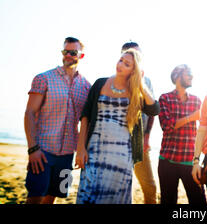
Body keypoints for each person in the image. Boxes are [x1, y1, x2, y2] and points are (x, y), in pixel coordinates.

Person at [75, 48, 160, 204]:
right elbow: (85, 116)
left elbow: (154, 110)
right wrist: (81, 149)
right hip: (95, 149)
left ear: (133, 70)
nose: (120, 64)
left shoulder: (136, 91)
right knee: (88, 194)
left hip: (122, 154)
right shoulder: (100, 83)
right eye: (121, 60)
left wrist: (140, 83)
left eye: (127, 64)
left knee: (115, 198)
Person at [24, 37, 91, 204]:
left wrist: (82, 149)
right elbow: (30, 113)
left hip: (67, 154)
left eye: (73, 52)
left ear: (81, 56)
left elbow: (85, 121)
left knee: (53, 196)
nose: (68, 55)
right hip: (42, 151)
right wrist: (32, 149)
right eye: (65, 51)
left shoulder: (86, 87)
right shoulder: (44, 78)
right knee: (35, 197)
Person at [158, 64, 207, 204]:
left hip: (190, 162)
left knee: (199, 202)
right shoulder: (165, 98)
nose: (192, 77)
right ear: (177, 77)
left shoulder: (197, 101)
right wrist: (191, 117)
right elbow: (166, 126)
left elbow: (204, 129)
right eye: (188, 74)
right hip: (167, 161)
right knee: (168, 201)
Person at [121, 41, 158, 204]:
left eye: (138, 54)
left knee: (149, 187)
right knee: (121, 187)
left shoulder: (147, 81)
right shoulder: (113, 81)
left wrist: (147, 137)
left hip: (139, 141)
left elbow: (152, 111)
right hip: (119, 141)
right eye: (131, 54)